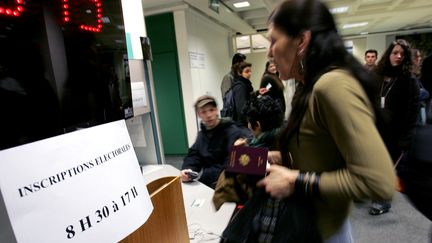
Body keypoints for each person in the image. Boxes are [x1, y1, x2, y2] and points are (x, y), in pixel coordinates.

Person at [255, 0, 396, 242]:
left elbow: (379, 180)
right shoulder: (308, 86)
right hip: (310, 227)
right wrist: (280, 157)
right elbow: (325, 153)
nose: (269, 52)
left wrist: (295, 181)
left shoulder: (332, 85)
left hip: (323, 232)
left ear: (302, 40)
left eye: (273, 40)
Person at [368, 39, 420, 215]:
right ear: (388, 54)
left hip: (396, 134)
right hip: (375, 130)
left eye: (402, 54)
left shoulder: (409, 80)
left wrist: (406, 138)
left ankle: (382, 201)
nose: (398, 56)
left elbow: (413, 112)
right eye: (395, 53)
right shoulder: (377, 75)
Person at [180, 95, 245, 189]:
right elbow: (194, 155)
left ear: (216, 110)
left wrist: (207, 176)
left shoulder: (231, 131)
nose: (208, 115)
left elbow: (232, 163)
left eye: (211, 110)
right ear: (199, 114)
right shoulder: (202, 135)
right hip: (209, 183)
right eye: (203, 112)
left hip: (228, 185)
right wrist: (188, 169)